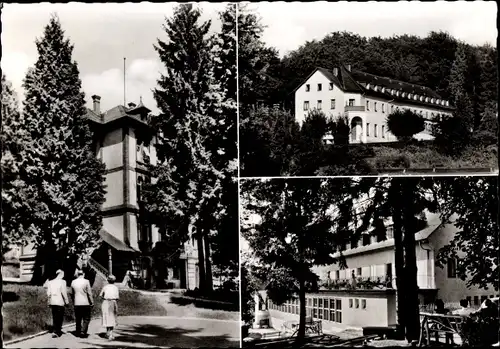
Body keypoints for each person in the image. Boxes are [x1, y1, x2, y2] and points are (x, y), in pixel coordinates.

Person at [71, 269, 94, 338]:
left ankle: (78, 331)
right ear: (83, 274)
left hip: (77, 303)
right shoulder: (86, 281)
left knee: (78, 318)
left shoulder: (73, 282)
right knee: (86, 318)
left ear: (78, 274)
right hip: (85, 302)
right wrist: (92, 302)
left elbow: (72, 293)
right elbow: (89, 293)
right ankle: (83, 331)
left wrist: (73, 301)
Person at [47, 269, 69, 337]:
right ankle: (57, 331)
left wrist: (49, 302)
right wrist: (67, 301)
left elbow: (48, 294)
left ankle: (55, 330)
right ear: (61, 274)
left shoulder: (50, 282)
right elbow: (64, 292)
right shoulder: (63, 282)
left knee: (54, 316)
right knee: (60, 317)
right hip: (60, 302)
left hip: (53, 302)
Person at [100, 275, 119, 340]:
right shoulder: (115, 288)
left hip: (105, 302)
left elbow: (101, 295)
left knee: (106, 317)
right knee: (112, 317)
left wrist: (105, 298)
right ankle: (110, 333)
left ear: (108, 280)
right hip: (113, 302)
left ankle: (108, 333)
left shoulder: (105, 287)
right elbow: (117, 297)